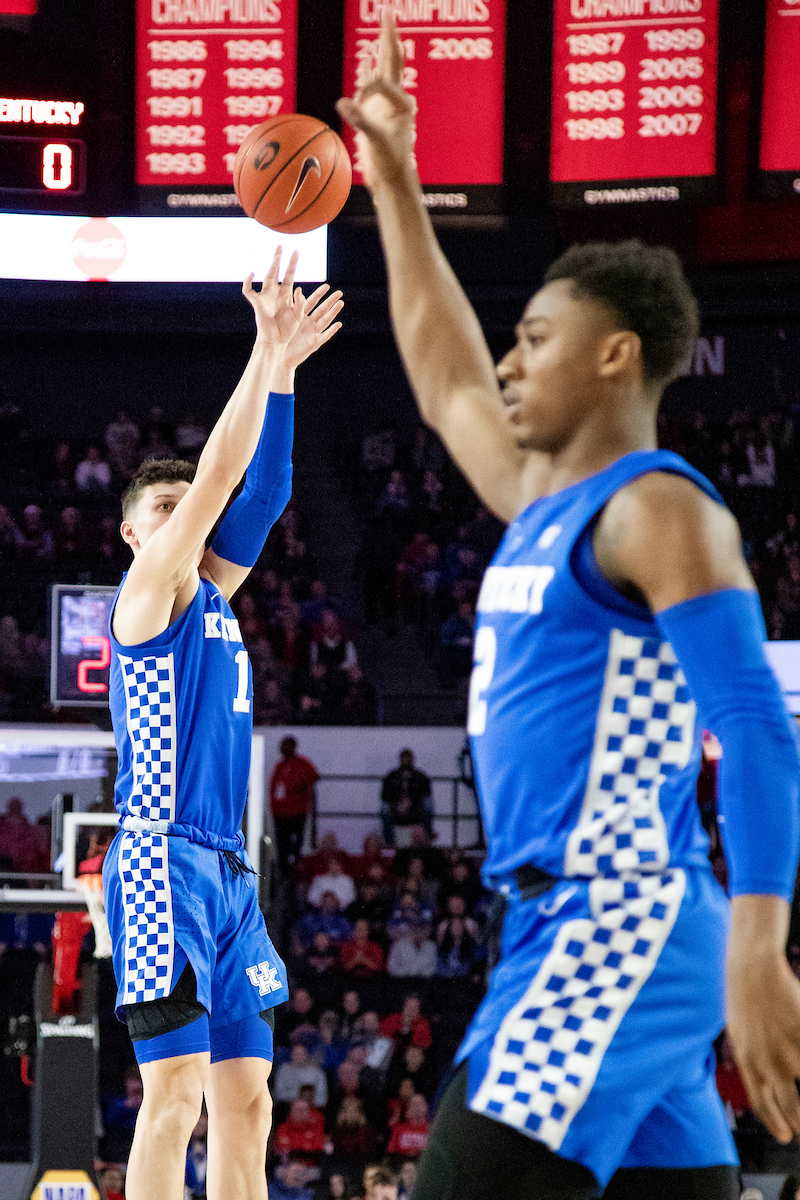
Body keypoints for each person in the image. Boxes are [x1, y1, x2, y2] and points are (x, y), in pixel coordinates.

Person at [338, 17, 800, 1200]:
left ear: (614, 358)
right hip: (563, 926)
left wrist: (758, 937)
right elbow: (441, 374)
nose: (507, 360)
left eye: (535, 339)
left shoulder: (654, 511)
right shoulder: (543, 500)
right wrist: (395, 178)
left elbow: (751, 722)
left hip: (617, 924)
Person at [102, 248, 343, 1200]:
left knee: (249, 1101)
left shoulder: (212, 589)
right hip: (160, 857)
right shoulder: (148, 593)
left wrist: (284, 375)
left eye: (182, 513)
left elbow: (264, 491)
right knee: (175, 1100)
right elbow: (215, 477)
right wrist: (263, 347)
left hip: (228, 868)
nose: (182, 521)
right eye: (160, 511)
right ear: (134, 534)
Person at [270, 736, 321, 872]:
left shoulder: (301, 764)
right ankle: (284, 873)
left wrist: (297, 788)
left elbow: (314, 776)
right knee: (282, 846)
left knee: (296, 845)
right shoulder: (280, 766)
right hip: (280, 814)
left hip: (296, 813)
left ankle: (294, 872)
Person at [380, 750, 433, 847]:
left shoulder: (420, 777)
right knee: (384, 810)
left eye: (408, 758)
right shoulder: (392, 777)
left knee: (428, 807)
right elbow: (385, 798)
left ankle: (428, 833)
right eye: (404, 758)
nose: (406, 761)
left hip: (416, 813)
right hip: (396, 812)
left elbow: (427, 800)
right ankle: (388, 840)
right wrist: (397, 805)